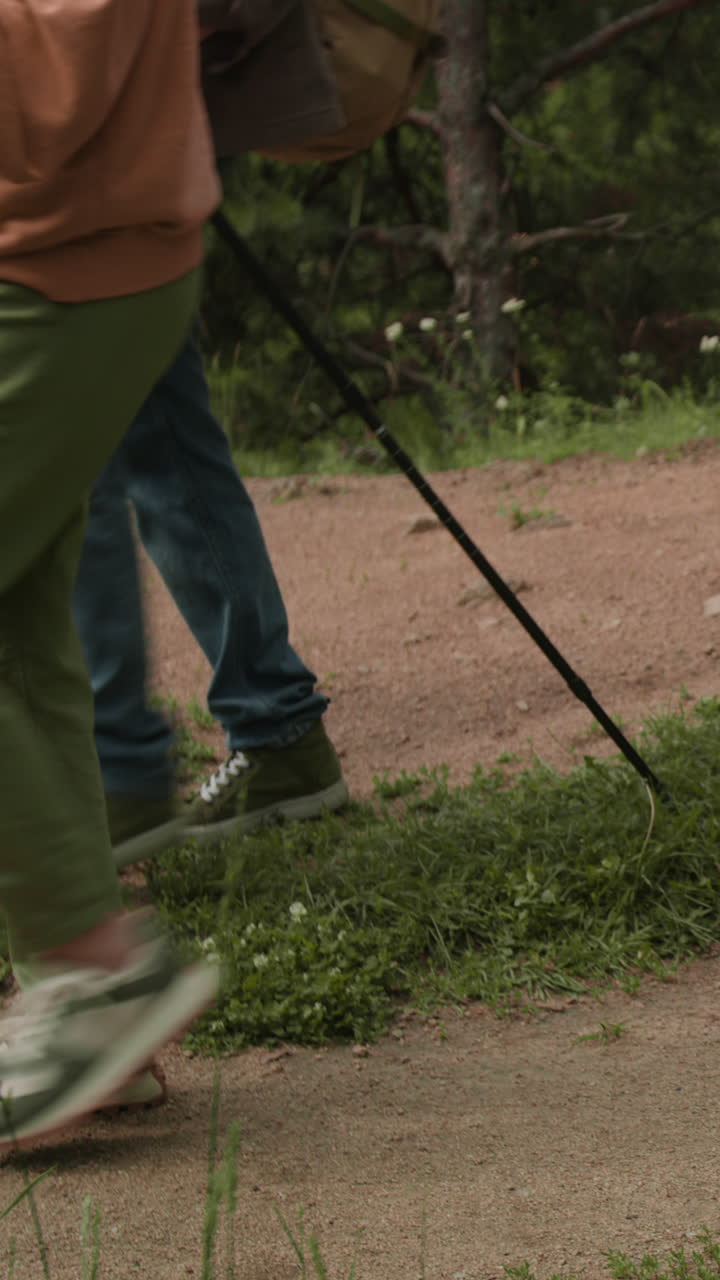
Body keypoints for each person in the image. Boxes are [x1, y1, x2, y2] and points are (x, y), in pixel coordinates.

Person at [0, 0, 222, 1146]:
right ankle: (84, 1009)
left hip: (57, 262)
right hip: (65, 252)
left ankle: (98, 968)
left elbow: (67, 55)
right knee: (18, 625)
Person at [74, 2, 349, 870]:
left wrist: (141, 44)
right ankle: (272, 733)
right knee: (152, 432)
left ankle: (110, 776)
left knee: (67, 451)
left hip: (93, 142)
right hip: (97, 132)